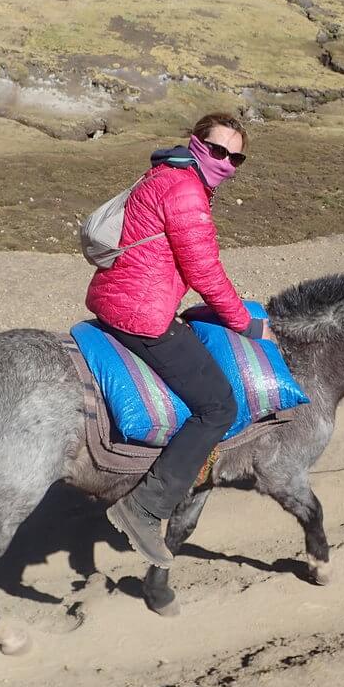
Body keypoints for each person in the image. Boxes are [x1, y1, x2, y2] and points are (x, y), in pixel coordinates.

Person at [88, 112, 270, 567]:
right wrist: (243, 322)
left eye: (236, 156)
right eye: (218, 150)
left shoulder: (167, 173)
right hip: (142, 313)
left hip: (119, 297)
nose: (226, 162)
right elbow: (203, 271)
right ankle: (144, 507)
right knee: (218, 405)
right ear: (196, 143)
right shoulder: (187, 191)